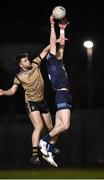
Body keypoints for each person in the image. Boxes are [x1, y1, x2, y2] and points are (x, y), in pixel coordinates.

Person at [0, 46, 58, 165]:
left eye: (27, 59)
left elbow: (45, 51)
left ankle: (49, 146)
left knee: (50, 128)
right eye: (25, 61)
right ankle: (34, 155)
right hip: (31, 102)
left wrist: (53, 43)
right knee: (39, 126)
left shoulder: (35, 64)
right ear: (20, 65)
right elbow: (12, 91)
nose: (28, 61)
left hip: (42, 101)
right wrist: (4, 92)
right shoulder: (18, 77)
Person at [39, 15, 72, 166]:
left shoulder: (59, 61)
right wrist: (52, 26)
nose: (58, 49)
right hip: (61, 93)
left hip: (63, 94)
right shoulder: (52, 60)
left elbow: (62, 46)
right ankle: (43, 141)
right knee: (65, 125)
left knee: (59, 128)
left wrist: (63, 30)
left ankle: (50, 151)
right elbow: (54, 43)